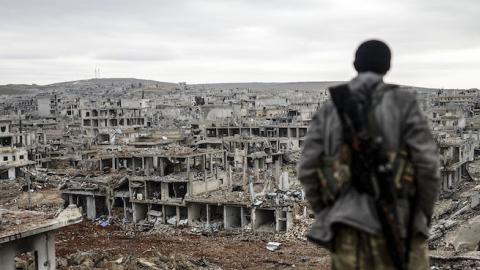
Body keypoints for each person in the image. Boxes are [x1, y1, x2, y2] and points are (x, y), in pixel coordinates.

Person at [298, 40, 440, 269]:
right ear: (387, 67)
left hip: (347, 229)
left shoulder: (330, 109)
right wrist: (421, 215)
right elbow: (428, 167)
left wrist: (329, 211)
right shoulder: (404, 104)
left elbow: (307, 169)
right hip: (401, 225)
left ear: (355, 64)